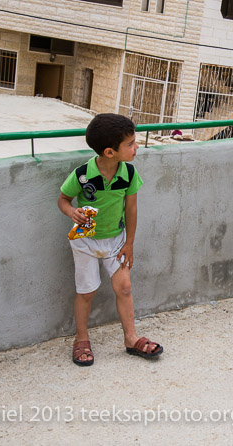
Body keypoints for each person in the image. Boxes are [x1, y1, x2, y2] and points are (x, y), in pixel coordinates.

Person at [58, 113, 163, 365]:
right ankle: (81, 339)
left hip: (117, 240)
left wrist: (129, 243)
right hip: (85, 242)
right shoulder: (83, 175)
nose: (136, 147)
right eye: (130, 144)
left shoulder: (128, 173)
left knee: (124, 287)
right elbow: (63, 199)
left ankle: (131, 338)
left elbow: (132, 209)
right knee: (87, 291)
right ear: (109, 152)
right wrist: (72, 211)